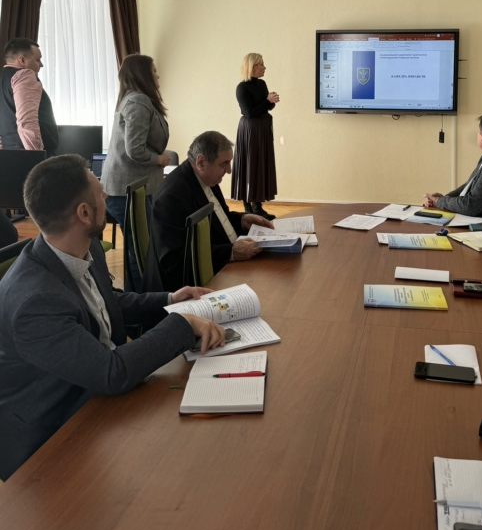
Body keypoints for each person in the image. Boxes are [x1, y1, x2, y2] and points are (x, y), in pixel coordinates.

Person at [0, 153, 226, 481]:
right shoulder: (35, 303)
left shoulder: (83, 247)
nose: (107, 196)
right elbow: (111, 372)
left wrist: (170, 299)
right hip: (52, 441)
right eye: (100, 192)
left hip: (98, 399)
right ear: (84, 213)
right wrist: (183, 323)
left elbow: (106, 302)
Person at [143, 131, 273, 293]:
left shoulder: (207, 179)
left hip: (222, 267)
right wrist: (231, 252)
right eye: (224, 164)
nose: (229, 170)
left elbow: (217, 221)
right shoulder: (171, 197)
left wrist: (242, 220)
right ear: (201, 162)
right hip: (188, 289)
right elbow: (174, 260)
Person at [100, 54, 172, 291]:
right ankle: (141, 300)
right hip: (126, 191)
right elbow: (135, 150)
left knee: (141, 246)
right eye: (154, 70)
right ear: (142, 74)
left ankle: (140, 296)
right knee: (140, 249)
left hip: (132, 187)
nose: (158, 75)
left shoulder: (137, 100)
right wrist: (159, 159)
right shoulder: (138, 101)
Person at [230, 52, 279, 221]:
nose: (264, 67)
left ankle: (258, 207)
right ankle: (248, 207)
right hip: (250, 130)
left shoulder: (262, 83)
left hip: (263, 129)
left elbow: (265, 108)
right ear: (253, 67)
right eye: (261, 64)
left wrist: (271, 102)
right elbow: (249, 113)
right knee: (249, 164)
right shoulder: (242, 88)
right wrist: (267, 101)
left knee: (260, 164)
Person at [0, 37, 58, 152]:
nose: (41, 65)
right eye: (37, 60)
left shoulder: (2, 78)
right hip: (29, 155)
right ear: (22, 60)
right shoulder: (24, 75)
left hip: (8, 153)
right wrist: (35, 156)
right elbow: (27, 120)